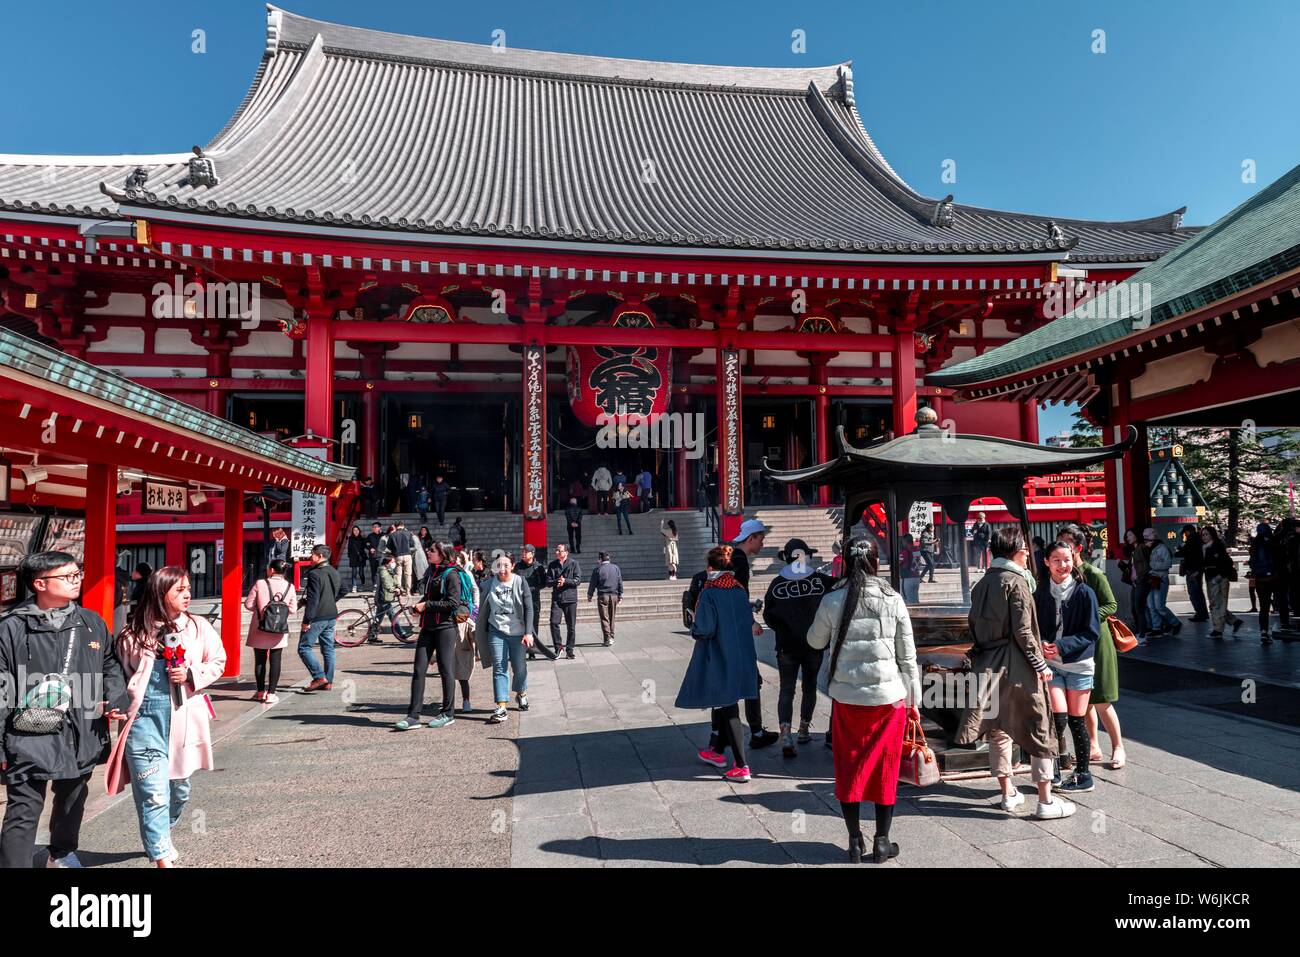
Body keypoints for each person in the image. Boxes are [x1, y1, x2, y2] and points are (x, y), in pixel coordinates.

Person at [0, 552, 129, 869]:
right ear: (39, 583)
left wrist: (115, 699)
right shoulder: (11, 628)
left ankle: (61, 852)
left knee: (73, 798)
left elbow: (110, 665)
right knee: (24, 807)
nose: (76, 581)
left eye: (77, 574)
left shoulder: (91, 622)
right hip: (27, 732)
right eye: (67, 576)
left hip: (81, 730)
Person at [805, 536, 919, 863]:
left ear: (846, 563)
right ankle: (882, 839)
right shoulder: (893, 598)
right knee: (886, 767)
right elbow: (907, 657)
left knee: (849, 765)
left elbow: (814, 642)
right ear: (874, 563)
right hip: (889, 700)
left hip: (847, 698)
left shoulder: (832, 600)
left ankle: (855, 839)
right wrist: (913, 702)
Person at [106, 566, 226, 867]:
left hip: (183, 716)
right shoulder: (133, 632)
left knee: (179, 790)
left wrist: (191, 674)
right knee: (153, 794)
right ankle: (161, 857)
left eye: (187, 588)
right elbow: (118, 672)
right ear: (160, 594)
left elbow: (218, 661)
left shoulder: (198, 626)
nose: (187, 594)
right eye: (179, 590)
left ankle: (161, 832)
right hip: (143, 720)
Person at [954, 526, 1073, 820]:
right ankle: (1045, 801)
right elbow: (1023, 632)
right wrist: (1041, 665)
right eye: (1024, 550)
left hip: (987, 664)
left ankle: (1007, 793)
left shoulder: (983, 583)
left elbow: (974, 624)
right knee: (1038, 725)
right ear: (1017, 551)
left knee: (998, 730)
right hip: (1017, 664)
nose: (1028, 555)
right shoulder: (1016, 582)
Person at [678, 546, 759, 783]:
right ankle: (716, 751)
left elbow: (705, 628)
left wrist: (694, 623)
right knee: (726, 703)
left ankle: (741, 765)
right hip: (742, 654)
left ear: (711, 568)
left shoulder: (710, 592)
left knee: (728, 704)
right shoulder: (739, 590)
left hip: (720, 653)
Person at [1056, 524, 1126, 771]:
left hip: (1097, 642)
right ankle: (1094, 746)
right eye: (1060, 543)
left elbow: (1111, 605)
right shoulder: (1063, 575)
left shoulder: (1093, 574)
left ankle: (1118, 747)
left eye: (1067, 544)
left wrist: (1087, 616)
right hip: (1076, 644)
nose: (1063, 548)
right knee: (1082, 700)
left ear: (1079, 548)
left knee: (1102, 699)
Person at [1034, 542, 1100, 794]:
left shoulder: (1084, 593)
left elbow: (1091, 632)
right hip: (1051, 665)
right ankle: (1054, 770)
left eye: (1067, 559)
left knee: (1076, 720)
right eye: (1057, 560)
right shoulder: (1040, 593)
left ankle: (1083, 774)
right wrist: (1041, 645)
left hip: (1079, 665)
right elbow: (1034, 625)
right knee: (1056, 718)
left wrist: (1062, 645)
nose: (1063, 565)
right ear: (1047, 563)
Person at [763, 538, 835, 757]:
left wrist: (784, 630)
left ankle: (786, 735)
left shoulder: (777, 584)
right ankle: (803, 729)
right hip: (814, 645)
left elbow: (769, 615)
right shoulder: (821, 581)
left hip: (786, 646)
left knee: (787, 690)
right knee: (809, 687)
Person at [727, 518, 779, 750]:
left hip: (729, 628)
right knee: (750, 679)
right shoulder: (739, 561)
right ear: (751, 538)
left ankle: (720, 734)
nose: (762, 543)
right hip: (738, 630)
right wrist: (750, 621)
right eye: (761, 539)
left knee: (733, 679)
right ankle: (755, 732)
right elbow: (735, 596)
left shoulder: (728, 556)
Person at [477, 555, 535, 723]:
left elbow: (529, 608)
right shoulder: (489, 583)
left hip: (518, 632)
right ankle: (501, 706)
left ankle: (521, 692)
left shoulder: (519, 581)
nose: (502, 569)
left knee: (519, 666)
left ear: (513, 565)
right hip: (496, 631)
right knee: (499, 667)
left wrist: (528, 632)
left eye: (506, 565)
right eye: (499, 565)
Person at [243, 559, 296, 703]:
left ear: (271, 570)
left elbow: (248, 605)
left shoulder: (260, 583)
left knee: (260, 661)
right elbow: (292, 609)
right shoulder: (290, 586)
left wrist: (260, 608)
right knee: (276, 660)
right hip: (279, 628)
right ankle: (271, 694)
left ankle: (260, 692)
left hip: (260, 627)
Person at [299, 545, 341, 692]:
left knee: (304, 647)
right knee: (328, 648)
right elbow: (345, 589)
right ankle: (328, 681)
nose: (311, 557)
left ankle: (319, 677)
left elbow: (313, 600)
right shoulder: (333, 571)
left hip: (317, 616)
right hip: (331, 615)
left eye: (312, 555)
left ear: (320, 556)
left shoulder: (314, 574)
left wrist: (306, 621)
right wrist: (330, 600)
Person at [1201, 524, 1243, 638]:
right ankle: (1234, 621)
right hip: (1210, 577)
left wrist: (1221, 574)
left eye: (1206, 534)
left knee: (1217, 603)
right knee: (1216, 602)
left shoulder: (1217, 545)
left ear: (1212, 535)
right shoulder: (1204, 547)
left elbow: (1226, 562)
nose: (1204, 537)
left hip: (1219, 577)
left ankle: (1218, 629)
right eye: (1203, 535)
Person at [1248, 522, 1287, 644]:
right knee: (1282, 601)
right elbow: (1282, 559)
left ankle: (1264, 631)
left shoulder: (1255, 544)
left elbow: (1252, 562)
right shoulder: (1274, 543)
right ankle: (1285, 624)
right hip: (1275, 578)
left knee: (1264, 607)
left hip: (1260, 579)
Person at [1144, 528, 1181, 638]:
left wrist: (1152, 566)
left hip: (1160, 579)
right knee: (1151, 605)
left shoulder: (1162, 548)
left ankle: (1175, 622)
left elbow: (1168, 564)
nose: (1145, 539)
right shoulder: (1146, 549)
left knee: (1159, 605)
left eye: (1147, 536)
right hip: (1150, 579)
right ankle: (1157, 628)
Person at [514, 545, 548, 661]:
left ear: (532, 554)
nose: (523, 554)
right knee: (520, 626)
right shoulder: (518, 567)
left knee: (533, 625)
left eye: (526, 552)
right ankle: (521, 650)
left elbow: (543, 583)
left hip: (533, 601)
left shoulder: (539, 567)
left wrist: (531, 589)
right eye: (522, 552)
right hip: (519, 601)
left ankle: (532, 650)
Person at [548, 543, 581, 658]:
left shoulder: (574, 564)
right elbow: (548, 582)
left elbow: (577, 580)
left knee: (571, 626)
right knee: (553, 622)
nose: (556, 552)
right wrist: (558, 580)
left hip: (570, 599)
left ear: (566, 552)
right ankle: (558, 647)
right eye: (556, 550)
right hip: (557, 598)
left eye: (559, 550)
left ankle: (570, 649)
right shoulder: (552, 565)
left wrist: (565, 581)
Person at [1117, 528, 1149, 643]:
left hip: (1141, 582)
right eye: (1127, 536)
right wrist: (1121, 565)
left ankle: (1143, 635)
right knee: (1134, 609)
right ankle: (1140, 632)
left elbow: (1146, 566)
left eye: (1130, 535)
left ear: (1137, 535)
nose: (1128, 538)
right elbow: (1131, 569)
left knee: (1139, 609)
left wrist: (1141, 578)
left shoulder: (1142, 548)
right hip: (1135, 583)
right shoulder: (1134, 551)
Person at [370, 553, 409, 644]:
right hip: (383, 597)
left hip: (386, 597)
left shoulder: (389, 570)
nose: (394, 563)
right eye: (393, 561)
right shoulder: (383, 570)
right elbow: (386, 582)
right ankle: (401, 633)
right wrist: (393, 590)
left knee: (378, 618)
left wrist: (401, 589)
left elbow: (395, 581)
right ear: (387, 562)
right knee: (393, 616)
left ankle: (372, 635)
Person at [587, 552, 624, 647]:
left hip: (603, 595)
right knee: (612, 617)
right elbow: (620, 581)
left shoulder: (597, 569)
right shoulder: (616, 568)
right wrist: (621, 594)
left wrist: (590, 595)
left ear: (600, 559)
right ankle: (612, 636)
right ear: (609, 559)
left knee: (604, 617)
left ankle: (607, 638)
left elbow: (593, 583)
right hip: (614, 595)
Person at [1180, 525, 1210, 622]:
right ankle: (1203, 613)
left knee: (1194, 593)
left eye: (1185, 533)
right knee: (1198, 592)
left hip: (1193, 570)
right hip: (1197, 570)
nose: (1185, 535)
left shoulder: (1191, 541)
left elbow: (1187, 554)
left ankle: (1200, 613)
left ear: (1188, 531)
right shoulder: (1199, 540)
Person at [387, 520, 416, 594]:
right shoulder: (409, 533)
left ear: (396, 526)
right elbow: (412, 545)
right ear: (403, 525)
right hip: (407, 555)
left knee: (398, 574)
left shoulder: (392, 535)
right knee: (408, 574)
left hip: (397, 556)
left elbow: (388, 547)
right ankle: (408, 592)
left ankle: (399, 590)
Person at [898, 533, 922, 603]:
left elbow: (898, 563)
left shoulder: (904, 552)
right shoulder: (917, 550)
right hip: (916, 577)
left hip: (907, 578)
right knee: (915, 598)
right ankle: (917, 613)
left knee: (907, 599)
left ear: (905, 541)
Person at [347, 525, 368, 591]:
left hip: (361, 557)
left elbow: (366, 546)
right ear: (352, 532)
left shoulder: (362, 538)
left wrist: (366, 540)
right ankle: (354, 586)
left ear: (359, 531)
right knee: (354, 573)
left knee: (361, 573)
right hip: (353, 557)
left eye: (357, 530)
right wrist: (349, 556)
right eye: (354, 530)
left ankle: (363, 584)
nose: (356, 531)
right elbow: (349, 548)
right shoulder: (350, 538)